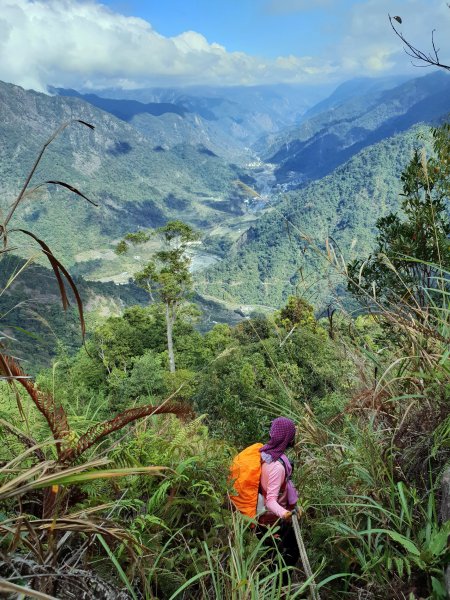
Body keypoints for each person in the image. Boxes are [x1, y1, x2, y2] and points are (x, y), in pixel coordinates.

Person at [257, 416, 300, 568]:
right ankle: (281, 589)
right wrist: (286, 514)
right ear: (288, 438)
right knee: (285, 557)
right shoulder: (277, 466)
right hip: (271, 523)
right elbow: (270, 501)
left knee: (274, 558)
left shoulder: (265, 454)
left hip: (265, 521)